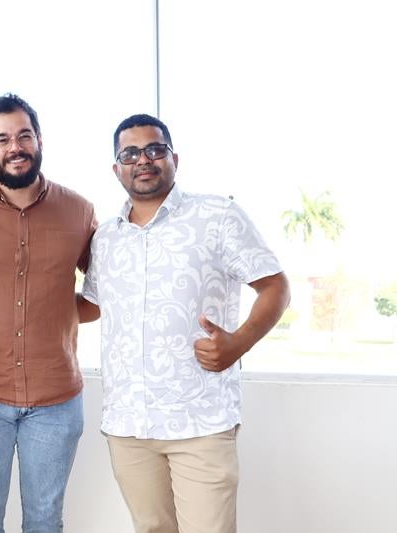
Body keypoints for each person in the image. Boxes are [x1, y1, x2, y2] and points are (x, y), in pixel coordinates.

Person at [79, 114, 290, 533]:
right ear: (116, 168)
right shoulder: (106, 238)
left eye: (155, 149)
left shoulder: (218, 215)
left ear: (174, 158)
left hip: (200, 422)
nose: (143, 160)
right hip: (128, 424)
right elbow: (92, 305)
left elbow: (275, 287)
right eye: (130, 153)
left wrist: (238, 342)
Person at [0, 94, 97, 533]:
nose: (15, 147)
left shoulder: (79, 211)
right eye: (3, 139)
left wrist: (53, 313)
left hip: (56, 399)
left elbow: (103, 292)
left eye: (24, 135)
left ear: (39, 139)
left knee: (45, 521)